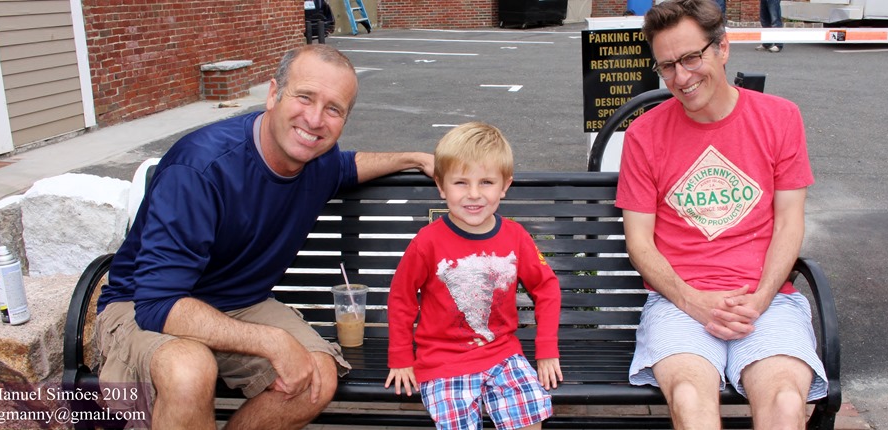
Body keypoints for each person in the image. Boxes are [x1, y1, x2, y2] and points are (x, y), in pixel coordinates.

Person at [94, 44, 434, 429]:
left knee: (316, 377)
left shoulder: (318, 160)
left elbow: (348, 166)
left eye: (333, 109)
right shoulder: (200, 167)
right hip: (143, 305)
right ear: (273, 94)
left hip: (239, 303)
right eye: (304, 97)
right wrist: (272, 341)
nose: (315, 119)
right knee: (189, 370)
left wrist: (413, 158)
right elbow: (157, 304)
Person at [616, 0, 827, 428]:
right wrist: (692, 301)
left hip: (767, 300)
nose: (681, 77)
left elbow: (790, 222)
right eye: (667, 66)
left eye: (691, 58)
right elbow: (639, 243)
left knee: (786, 403)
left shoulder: (780, 118)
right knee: (690, 399)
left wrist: (760, 298)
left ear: (723, 48)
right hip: (678, 303)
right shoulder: (643, 135)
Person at [384, 122, 563, 430]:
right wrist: (400, 357)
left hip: (503, 354)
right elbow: (402, 299)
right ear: (441, 186)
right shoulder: (427, 243)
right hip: (442, 360)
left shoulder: (516, 237)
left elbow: (546, 287)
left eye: (486, 182)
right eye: (461, 183)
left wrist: (546, 348)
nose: (474, 194)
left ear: (505, 185)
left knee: (529, 417)